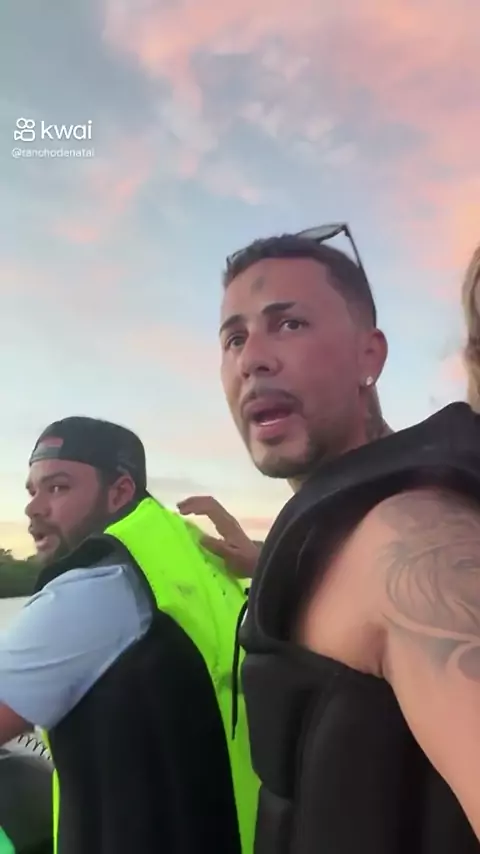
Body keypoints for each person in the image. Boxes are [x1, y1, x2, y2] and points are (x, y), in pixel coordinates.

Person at [217, 225, 480, 852]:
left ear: (370, 356)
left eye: (289, 324)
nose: (253, 359)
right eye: (235, 338)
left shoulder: (412, 539)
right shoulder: (340, 532)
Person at [0, 417, 258, 854]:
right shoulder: (196, 560)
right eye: (33, 491)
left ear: (119, 492)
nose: (34, 508)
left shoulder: (96, 588)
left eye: (58, 487)